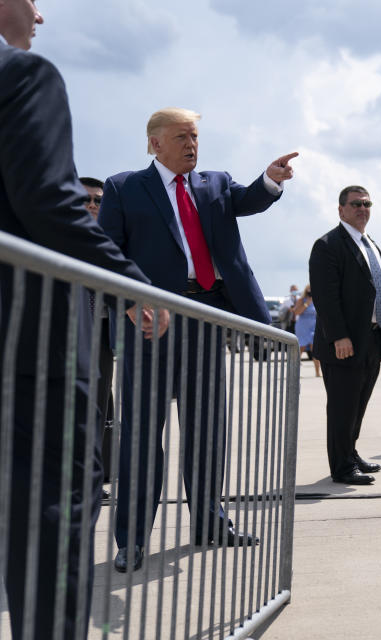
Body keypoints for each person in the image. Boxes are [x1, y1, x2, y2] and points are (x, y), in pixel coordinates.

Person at [0, 3, 157, 637]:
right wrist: (134, 285)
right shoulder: (24, 77)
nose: (40, 13)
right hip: (29, 342)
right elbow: (49, 201)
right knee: (54, 502)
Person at [99, 107, 296, 572]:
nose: (192, 145)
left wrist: (269, 180)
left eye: (196, 137)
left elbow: (248, 200)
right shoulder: (124, 187)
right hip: (149, 324)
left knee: (208, 431)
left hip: (206, 320)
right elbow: (107, 253)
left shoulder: (215, 183)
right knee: (143, 435)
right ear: (155, 144)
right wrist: (129, 305)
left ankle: (210, 524)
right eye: (182, 137)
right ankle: (132, 540)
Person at [310, 186, 381, 484]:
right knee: (342, 408)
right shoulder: (328, 245)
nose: (362, 208)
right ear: (341, 209)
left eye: (367, 203)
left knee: (358, 405)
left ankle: (351, 453)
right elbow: (325, 297)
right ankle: (342, 467)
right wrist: (338, 336)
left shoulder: (369, 243)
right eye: (356, 203)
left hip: (371, 339)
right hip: (345, 343)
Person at [80, 176, 115, 497]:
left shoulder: (111, 240)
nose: (92, 205)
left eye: (98, 200)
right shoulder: (56, 234)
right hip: (65, 331)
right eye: (85, 199)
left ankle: (91, 477)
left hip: (102, 331)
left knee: (99, 407)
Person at [294, 284, 320, 377]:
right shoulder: (301, 300)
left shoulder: (317, 299)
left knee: (315, 349)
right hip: (302, 326)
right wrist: (307, 303)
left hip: (313, 326)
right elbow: (296, 312)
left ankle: (317, 372)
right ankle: (295, 373)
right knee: (300, 348)